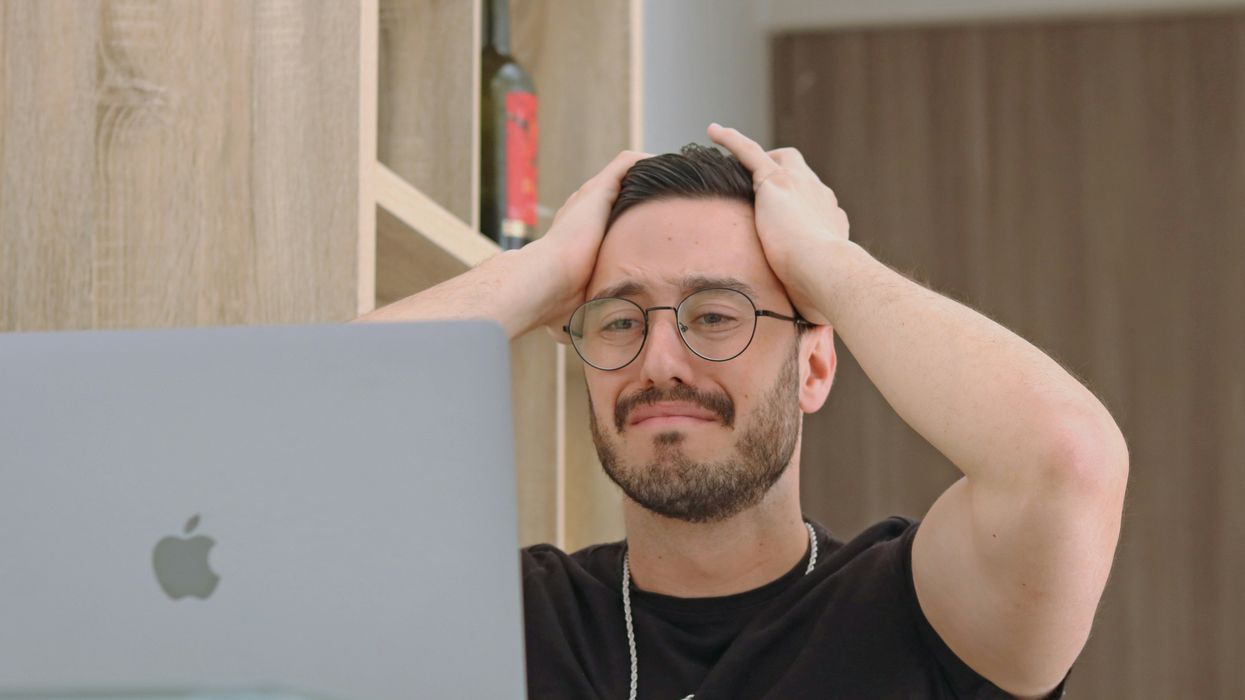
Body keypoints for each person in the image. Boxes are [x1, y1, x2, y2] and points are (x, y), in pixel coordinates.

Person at [354, 124, 1128, 699]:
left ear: (814, 366)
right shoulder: (510, 625)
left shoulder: (924, 613)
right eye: (620, 321)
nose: (658, 361)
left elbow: (1065, 456)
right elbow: (272, 451)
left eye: (716, 316)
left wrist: (827, 262)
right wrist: (540, 270)